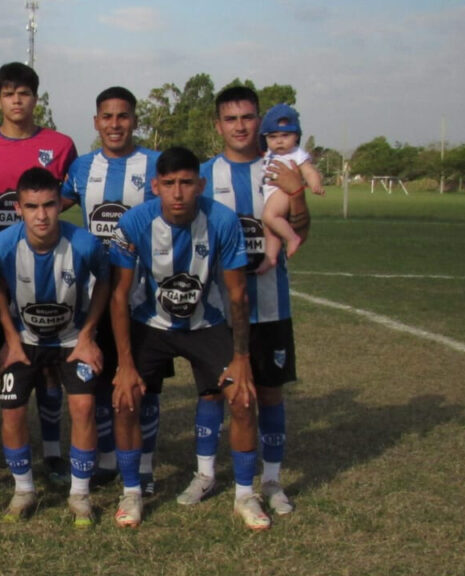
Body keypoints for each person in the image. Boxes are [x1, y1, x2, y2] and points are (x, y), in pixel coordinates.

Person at [109, 146, 268, 531]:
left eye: (185, 183)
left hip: (206, 323)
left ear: (200, 184)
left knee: (243, 398)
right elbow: (118, 295)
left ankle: (245, 494)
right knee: (126, 399)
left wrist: (242, 358)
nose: (178, 193)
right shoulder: (133, 223)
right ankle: (131, 490)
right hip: (151, 323)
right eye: (169, 184)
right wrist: (126, 365)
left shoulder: (223, 221)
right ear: (155, 186)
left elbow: (237, 295)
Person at [185, 87, 309, 516]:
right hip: (215, 310)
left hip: (272, 306)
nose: (240, 126)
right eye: (231, 118)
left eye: (248, 117)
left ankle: (271, 480)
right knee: (212, 395)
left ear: (260, 121)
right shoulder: (200, 177)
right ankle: (204, 474)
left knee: (270, 395)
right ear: (217, 125)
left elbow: (302, 230)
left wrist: (297, 195)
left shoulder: (280, 169)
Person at [0, 62, 79, 481]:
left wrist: (40, 225)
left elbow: (71, 194)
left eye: (24, 93)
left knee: (45, 360)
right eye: (9, 93)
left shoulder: (60, 145)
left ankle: (51, 450)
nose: (17, 100)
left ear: (35, 97)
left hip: (44, 266)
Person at [0, 167, 108, 528]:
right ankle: (24, 489)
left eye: (50, 205)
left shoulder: (85, 244)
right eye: (32, 206)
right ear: (18, 208)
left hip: (72, 338)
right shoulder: (2, 246)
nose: (42, 215)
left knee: (83, 407)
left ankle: (79, 494)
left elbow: (105, 283)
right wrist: (9, 338)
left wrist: (88, 336)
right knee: (11, 412)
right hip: (24, 340)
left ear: (61, 204)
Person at [61, 86, 161, 488]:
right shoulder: (83, 168)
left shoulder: (155, 164)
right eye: (107, 116)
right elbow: (53, 204)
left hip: (145, 297)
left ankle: (146, 467)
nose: (115, 124)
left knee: (145, 384)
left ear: (135, 120)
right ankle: (105, 458)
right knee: (100, 379)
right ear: (96, 122)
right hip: (96, 296)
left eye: (123, 116)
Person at [258, 103, 325, 268]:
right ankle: (271, 257)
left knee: (270, 217)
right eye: (272, 137)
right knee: (270, 227)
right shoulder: (269, 153)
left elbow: (309, 171)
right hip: (271, 192)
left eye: (285, 135)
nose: (279, 141)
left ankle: (292, 238)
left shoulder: (296, 153)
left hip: (282, 192)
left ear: (296, 136)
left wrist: (315, 185)